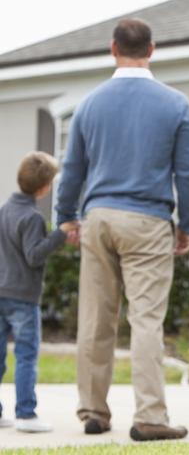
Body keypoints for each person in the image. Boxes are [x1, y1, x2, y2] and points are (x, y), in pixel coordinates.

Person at [56, 18, 189, 441]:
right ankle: (150, 416)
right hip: (148, 219)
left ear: (112, 48)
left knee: (96, 319)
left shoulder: (89, 103)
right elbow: (188, 171)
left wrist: (65, 215)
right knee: (147, 320)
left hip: (98, 217)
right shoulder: (175, 104)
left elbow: (71, 170)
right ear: (151, 50)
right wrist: (186, 223)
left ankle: (94, 412)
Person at [0, 152, 76, 433]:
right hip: (22, 297)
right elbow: (34, 255)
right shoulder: (32, 217)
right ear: (44, 188)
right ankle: (26, 414)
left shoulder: (5, 208)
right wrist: (60, 234)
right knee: (26, 356)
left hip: (1, 291)